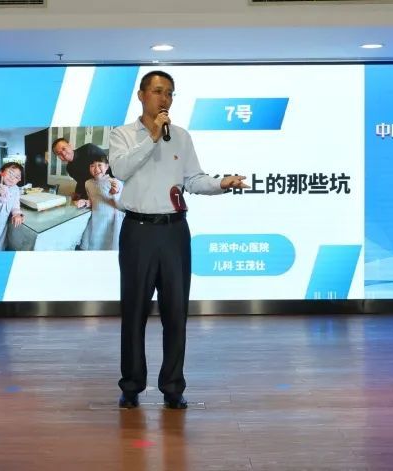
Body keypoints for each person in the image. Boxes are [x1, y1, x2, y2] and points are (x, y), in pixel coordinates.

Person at [109, 70, 249, 409]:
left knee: (175, 312)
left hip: (174, 232)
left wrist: (221, 183)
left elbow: (194, 180)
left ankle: (173, 386)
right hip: (138, 231)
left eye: (170, 93)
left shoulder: (182, 137)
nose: (165, 99)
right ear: (141, 95)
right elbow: (121, 170)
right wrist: (153, 137)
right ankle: (132, 385)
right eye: (158, 91)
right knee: (134, 311)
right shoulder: (122, 135)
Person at [79, 155, 124, 251]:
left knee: (108, 245)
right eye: (92, 166)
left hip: (110, 220)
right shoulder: (88, 183)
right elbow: (93, 201)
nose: (96, 169)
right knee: (93, 244)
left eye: (99, 165)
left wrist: (115, 193)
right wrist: (86, 202)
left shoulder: (115, 182)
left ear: (107, 166)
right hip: (95, 219)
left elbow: (122, 206)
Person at [52, 138, 110, 207]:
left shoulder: (88, 149)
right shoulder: (69, 168)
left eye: (64, 149)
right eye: (59, 153)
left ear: (70, 145)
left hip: (107, 192)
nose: (63, 154)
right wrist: (77, 193)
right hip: (89, 199)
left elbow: (107, 165)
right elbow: (81, 182)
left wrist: (114, 185)